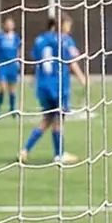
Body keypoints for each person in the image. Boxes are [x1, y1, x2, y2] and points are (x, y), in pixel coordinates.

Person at [23, 14, 84, 166]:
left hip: (43, 85)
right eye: (68, 25)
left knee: (47, 119)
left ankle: (25, 150)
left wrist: (33, 79)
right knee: (58, 120)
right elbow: (71, 62)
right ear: (62, 25)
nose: (69, 28)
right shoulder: (65, 40)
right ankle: (59, 154)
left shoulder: (40, 40)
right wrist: (83, 79)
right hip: (58, 86)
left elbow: (36, 61)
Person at [0, 17, 24, 118]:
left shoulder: (16, 37)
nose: (9, 25)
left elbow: (19, 49)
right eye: (7, 23)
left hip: (13, 65)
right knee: (2, 88)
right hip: (2, 66)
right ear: (4, 25)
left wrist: (19, 60)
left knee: (12, 89)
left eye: (11, 24)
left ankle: (12, 109)